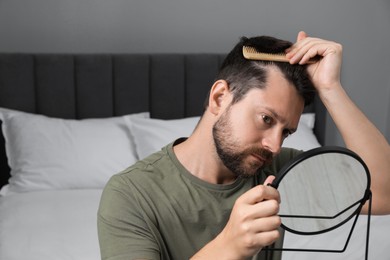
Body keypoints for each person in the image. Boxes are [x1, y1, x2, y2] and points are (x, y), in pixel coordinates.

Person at [97, 31, 390, 260]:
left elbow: (383, 194)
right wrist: (229, 246)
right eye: (266, 119)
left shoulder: (279, 172)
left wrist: (330, 88)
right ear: (220, 98)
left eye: (286, 132)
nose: (274, 145)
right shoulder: (130, 195)